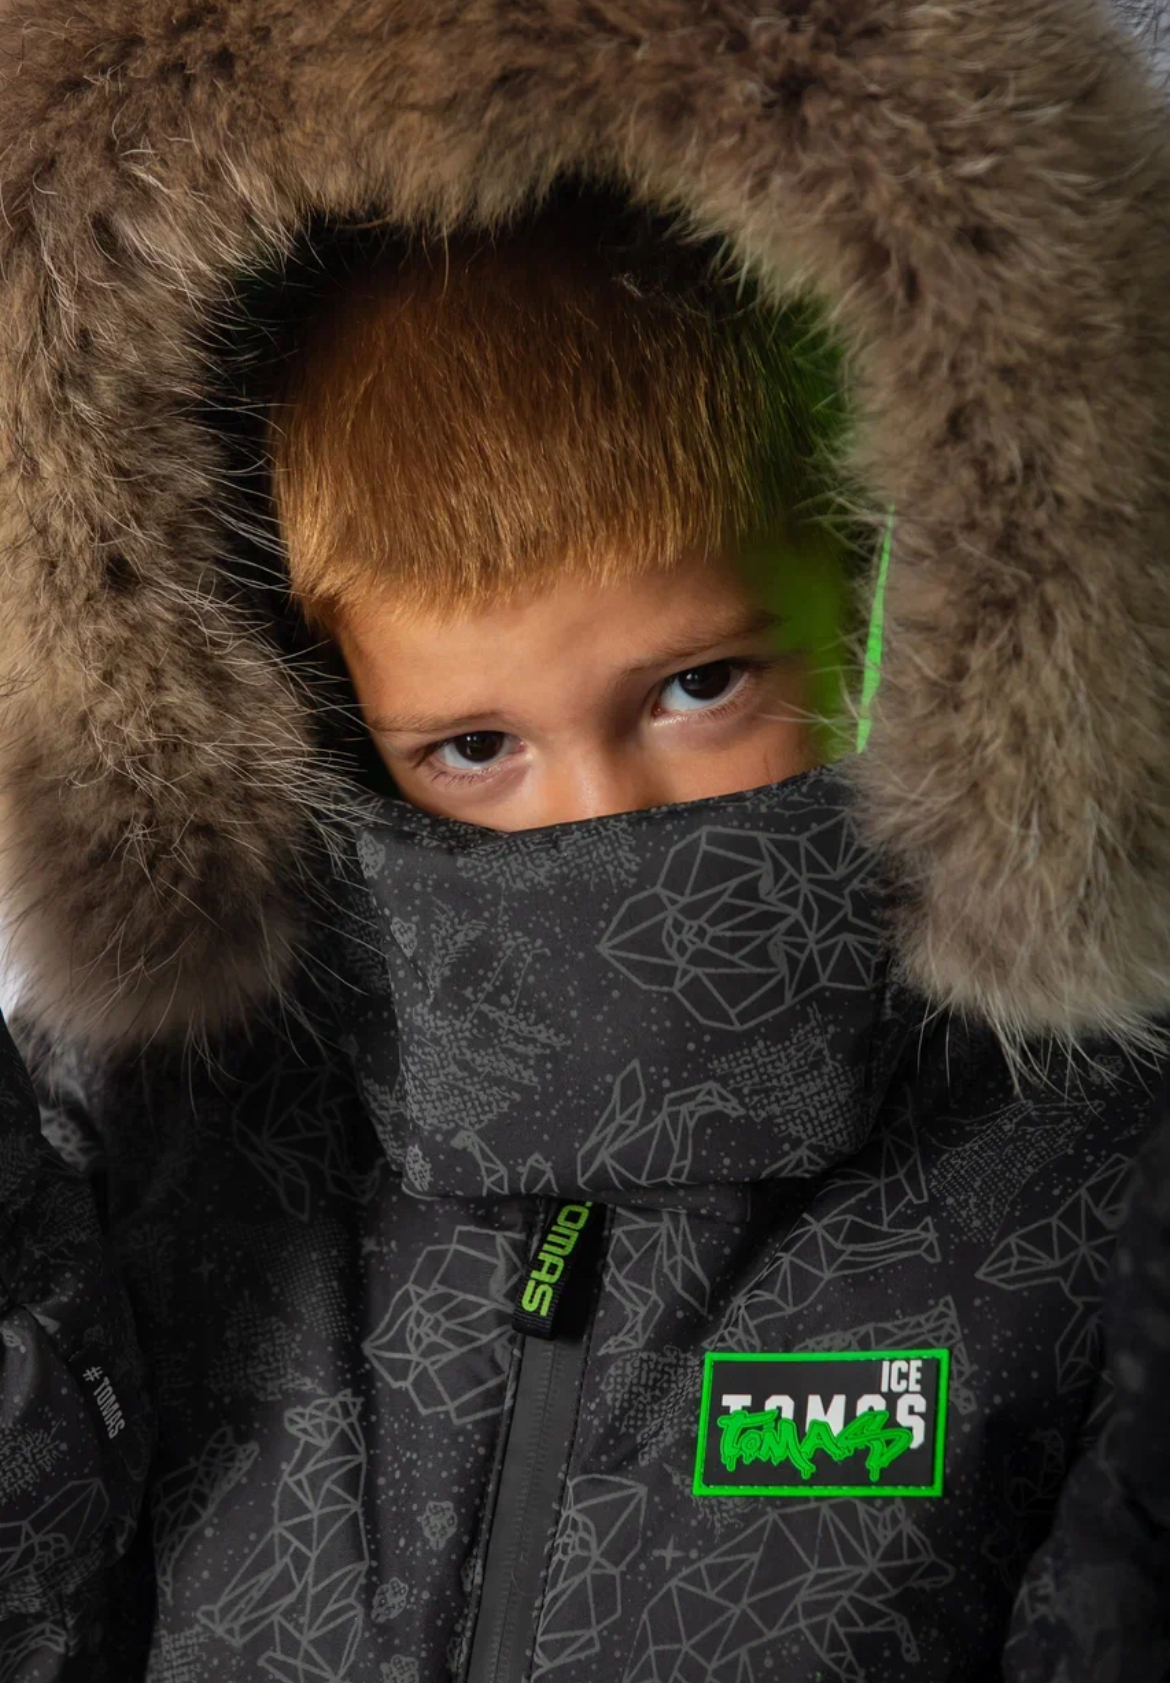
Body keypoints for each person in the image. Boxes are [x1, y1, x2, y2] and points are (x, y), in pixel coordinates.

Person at [1, 4, 1169, 1682]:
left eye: (698, 686)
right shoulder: (165, 1127)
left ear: (889, 583)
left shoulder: (1082, 1160)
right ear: (309, 697)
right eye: (473, 747)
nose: (596, 822)